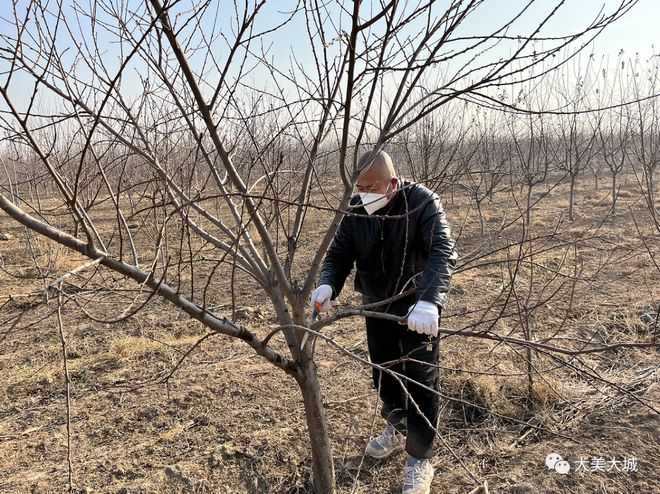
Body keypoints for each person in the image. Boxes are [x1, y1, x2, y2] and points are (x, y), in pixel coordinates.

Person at [311, 150, 457, 494]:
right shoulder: (357, 208)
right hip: (376, 304)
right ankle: (396, 427)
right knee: (384, 369)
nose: (363, 194)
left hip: (416, 309)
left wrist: (429, 299)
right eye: (357, 187)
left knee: (420, 379)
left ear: (392, 182)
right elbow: (339, 252)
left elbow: (443, 250)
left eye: (370, 187)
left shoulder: (421, 203)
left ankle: (420, 458)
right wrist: (328, 282)